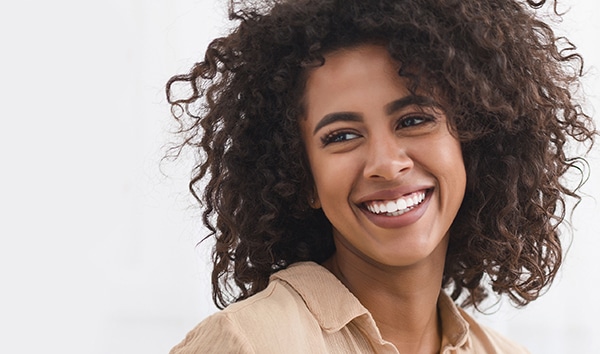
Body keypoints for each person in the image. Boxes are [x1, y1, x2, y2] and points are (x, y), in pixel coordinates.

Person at [166, 0, 596, 352]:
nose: (387, 165)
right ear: (302, 178)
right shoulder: (250, 344)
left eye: (412, 121)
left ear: (472, 141)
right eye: (342, 135)